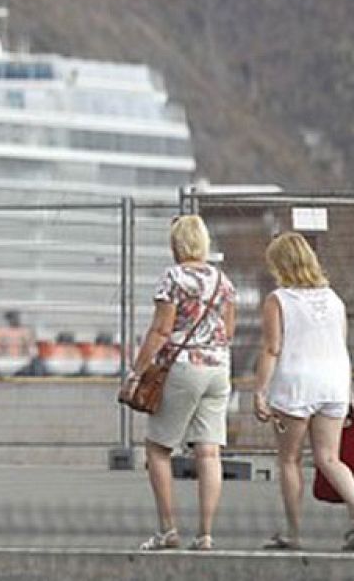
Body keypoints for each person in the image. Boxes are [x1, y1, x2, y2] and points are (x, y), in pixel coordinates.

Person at [251, 232, 354, 551]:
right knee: (329, 457)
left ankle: (294, 534)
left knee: (290, 460)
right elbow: (340, 346)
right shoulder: (334, 299)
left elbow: (271, 348)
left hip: (296, 384)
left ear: (280, 265)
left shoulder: (278, 299)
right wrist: (349, 392)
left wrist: (260, 391)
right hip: (334, 383)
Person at [119, 214, 235, 552]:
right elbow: (228, 331)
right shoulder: (223, 280)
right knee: (209, 452)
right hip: (218, 368)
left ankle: (168, 530)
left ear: (176, 243)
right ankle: (206, 534)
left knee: (158, 449)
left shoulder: (173, 278)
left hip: (183, 368)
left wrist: (137, 370)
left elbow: (161, 330)